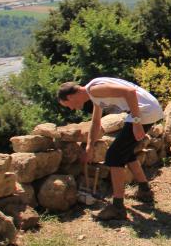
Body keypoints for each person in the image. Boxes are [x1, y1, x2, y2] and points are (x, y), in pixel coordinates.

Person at [58, 77, 164, 221]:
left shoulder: (94, 89)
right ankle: (144, 191)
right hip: (143, 110)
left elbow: (130, 92)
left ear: (70, 96)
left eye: (68, 104)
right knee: (124, 152)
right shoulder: (94, 94)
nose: (71, 108)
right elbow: (96, 123)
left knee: (113, 156)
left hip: (144, 112)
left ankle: (118, 208)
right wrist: (89, 146)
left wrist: (137, 123)